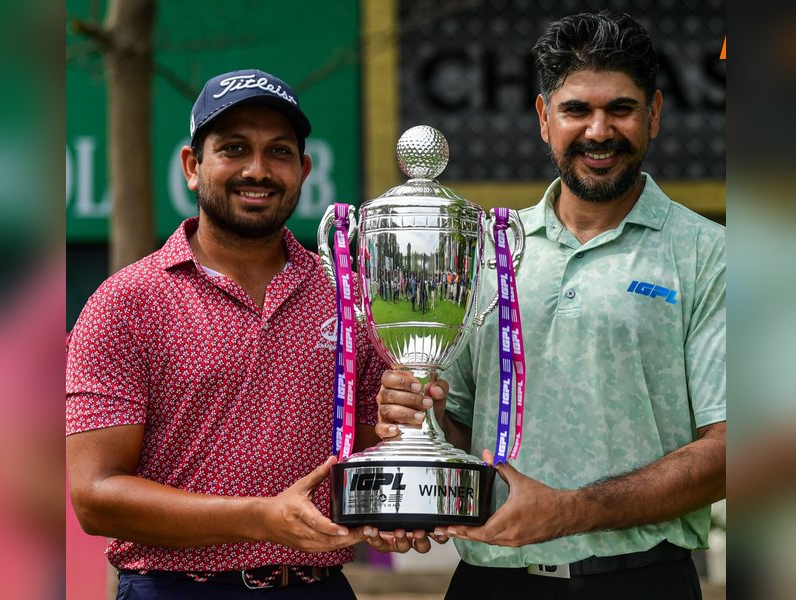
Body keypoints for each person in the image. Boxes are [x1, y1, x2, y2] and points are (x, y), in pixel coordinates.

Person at [376, 11, 725, 600]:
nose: (598, 131)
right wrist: (416, 416)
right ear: (543, 118)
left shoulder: (709, 254)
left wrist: (570, 511)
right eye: (576, 110)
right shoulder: (488, 250)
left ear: (655, 114)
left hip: (641, 582)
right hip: (488, 582)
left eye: (621, 109)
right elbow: (459, 425)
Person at [66, 68, 393, 599]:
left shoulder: (347, 295)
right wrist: (261, 519)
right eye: (235, 149)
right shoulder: (126, 302)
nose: (258, 170)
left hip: (317, 587)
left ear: (304, 169)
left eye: (279, 152)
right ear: (193, 167)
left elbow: (379, 450)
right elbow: (94, 495)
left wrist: (411, 416)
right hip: (174, 590)